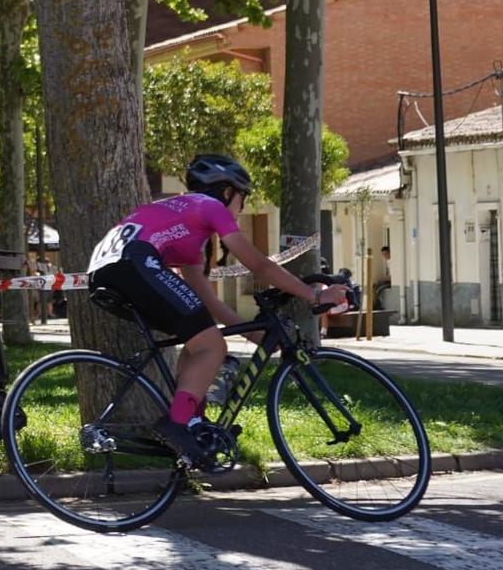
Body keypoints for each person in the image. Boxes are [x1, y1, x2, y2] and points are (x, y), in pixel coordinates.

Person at [87, 154, 347, 468]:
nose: (242, 208)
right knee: (212, 346)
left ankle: (192, 423)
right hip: (135, 263)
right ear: (227, 192)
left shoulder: (181, 219)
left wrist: (253, 334)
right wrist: (314, 294)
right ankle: (176, 425)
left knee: (198, 339)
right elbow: (259, 265)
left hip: (105, 270)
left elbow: (207, 301)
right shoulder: (210, 207)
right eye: (242, 199)